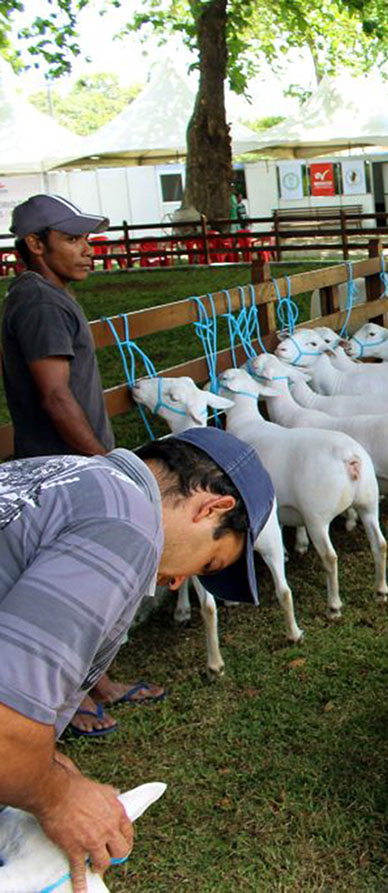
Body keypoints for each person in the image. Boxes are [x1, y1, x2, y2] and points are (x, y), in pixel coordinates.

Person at [0, 427, 275, 893]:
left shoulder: (56, 476)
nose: (177, 583)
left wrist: (41, 766)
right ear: (212, 508)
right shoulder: (125, 528)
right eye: (207, 564)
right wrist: (58, 798)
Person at [2, 194, 165, 738]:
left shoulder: (44, 295)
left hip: (67, 468)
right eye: (72, 240)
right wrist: (107, 468)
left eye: (86, 239)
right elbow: (55, 397)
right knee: (71, 593)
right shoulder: (41, 304)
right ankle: (67, 702)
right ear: (35, 244)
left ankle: (99, 684)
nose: (87, 250)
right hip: (68, 474)